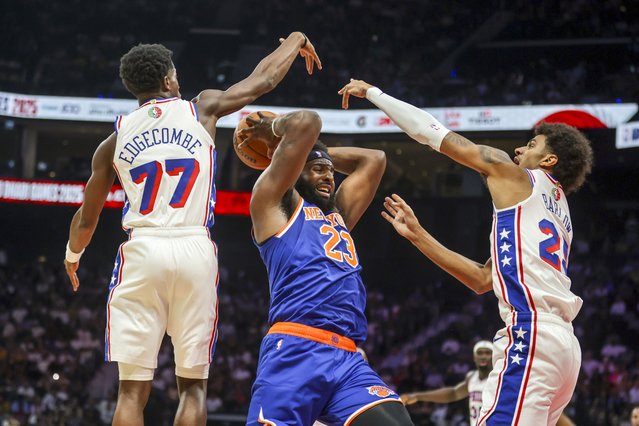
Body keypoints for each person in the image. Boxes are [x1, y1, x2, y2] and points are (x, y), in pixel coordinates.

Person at [63, 33, 321, 426]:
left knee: (131, 391)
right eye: (175, 74)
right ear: (168, 81)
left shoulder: (112, 142)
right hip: (194, 248)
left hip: (142, 250)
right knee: (194, 387)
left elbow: (86, 218)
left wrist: (72, 255)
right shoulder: (202, 109)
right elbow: (264, 79)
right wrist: (296, 41)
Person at [339, 79, 593, 426]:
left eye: (531, 145)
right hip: (564, 348)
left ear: (549, 159)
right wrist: (418, 235)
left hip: (532, 335)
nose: (519, 150)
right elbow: (482, 279)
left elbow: (433, 134)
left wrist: (374, 94)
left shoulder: (516, 176)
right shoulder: (559, 213)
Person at [241, 110, 413, 425]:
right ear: (295, 171)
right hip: (296, 349)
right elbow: (308, 121)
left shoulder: (338, 215)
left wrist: (313, 150)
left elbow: (374, 159)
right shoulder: (273, 204)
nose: (329, 177)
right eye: (318, 169)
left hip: (347, 357)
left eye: (331, 171)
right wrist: (284, 138)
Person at [400, 340, 493, 426]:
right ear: (474, 357)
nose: (483, 356)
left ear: (494, 356)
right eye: (480, 353)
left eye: (488, 353)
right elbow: (453, 393)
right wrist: (418, 396)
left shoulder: (500, 378)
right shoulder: (471, 377)